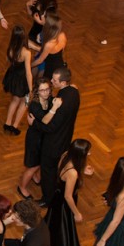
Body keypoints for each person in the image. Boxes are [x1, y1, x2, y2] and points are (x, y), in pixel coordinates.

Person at [30, 67, 80, 206]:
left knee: (48, 170)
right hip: (66, 137)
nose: (51, 81)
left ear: (63, 82)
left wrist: (34, 123)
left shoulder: (61, 102)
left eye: (54, 80)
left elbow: (50, 127)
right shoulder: (74, 92)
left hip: (54, 143)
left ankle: (47, 199)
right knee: (56, 167)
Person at [45, 139, 90, 246]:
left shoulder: (66, 155)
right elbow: (68, 196)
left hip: (57, 199)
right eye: (87, 152)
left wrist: (82, 169)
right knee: (59, 236)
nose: (89, 154)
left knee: (53, 228)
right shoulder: (73, 173)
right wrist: (77, 213)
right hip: (64, 206)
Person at [18, 78, 53, 199]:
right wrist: (54, 109)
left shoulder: (50, 99)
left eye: (47, 89)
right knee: (33, 165)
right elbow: (45, 120)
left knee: (39, 162)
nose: (46, 92)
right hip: (35, 139)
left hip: (44, 137)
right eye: (42, 90)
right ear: (37, 91)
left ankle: (35, 176)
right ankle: (22, 187)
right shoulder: (34, 105)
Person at [2, 26, 33, 135]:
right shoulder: (26, 52)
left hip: (13, 77)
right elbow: (28, 72)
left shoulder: (10, 48)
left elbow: (8, 61)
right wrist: (31, 89)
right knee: (25, 102)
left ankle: (7, 123)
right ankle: (15, 126)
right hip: (22, 80)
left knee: (14, 100)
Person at [32, 10, 66, 79]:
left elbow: (40, 60)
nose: (42, 16)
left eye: (44, 16)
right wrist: (41, 22)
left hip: (51, 67)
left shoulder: (49, 43)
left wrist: (28, 65)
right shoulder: (62, 35)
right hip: (59, 63)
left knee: (42, 80)